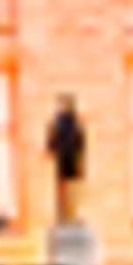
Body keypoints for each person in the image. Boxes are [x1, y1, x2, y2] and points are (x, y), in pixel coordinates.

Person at [46, 94, 88, 227]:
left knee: (71, 188)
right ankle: (65, 214)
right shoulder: (57, 122)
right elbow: (52, 141)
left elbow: (81, 142)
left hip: (70, 159)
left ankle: (71, 214)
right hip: (65, 159)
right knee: (65, 187)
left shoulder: (74, 122)